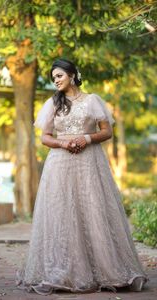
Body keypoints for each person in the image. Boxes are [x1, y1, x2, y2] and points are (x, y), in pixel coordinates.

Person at [16, 58, 147, 295]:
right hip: (60, 162)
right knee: (62, 213)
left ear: (72, 75)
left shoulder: (92, 101)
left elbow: (107, 131)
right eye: (53, 77)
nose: (55, 80)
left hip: (89, 162)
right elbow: (45, 137)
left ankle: (107, 270)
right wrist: (63, 143)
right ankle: (63, 271)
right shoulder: (53, 103)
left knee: (93, 209)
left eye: (59, 75)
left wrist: (85, 139)